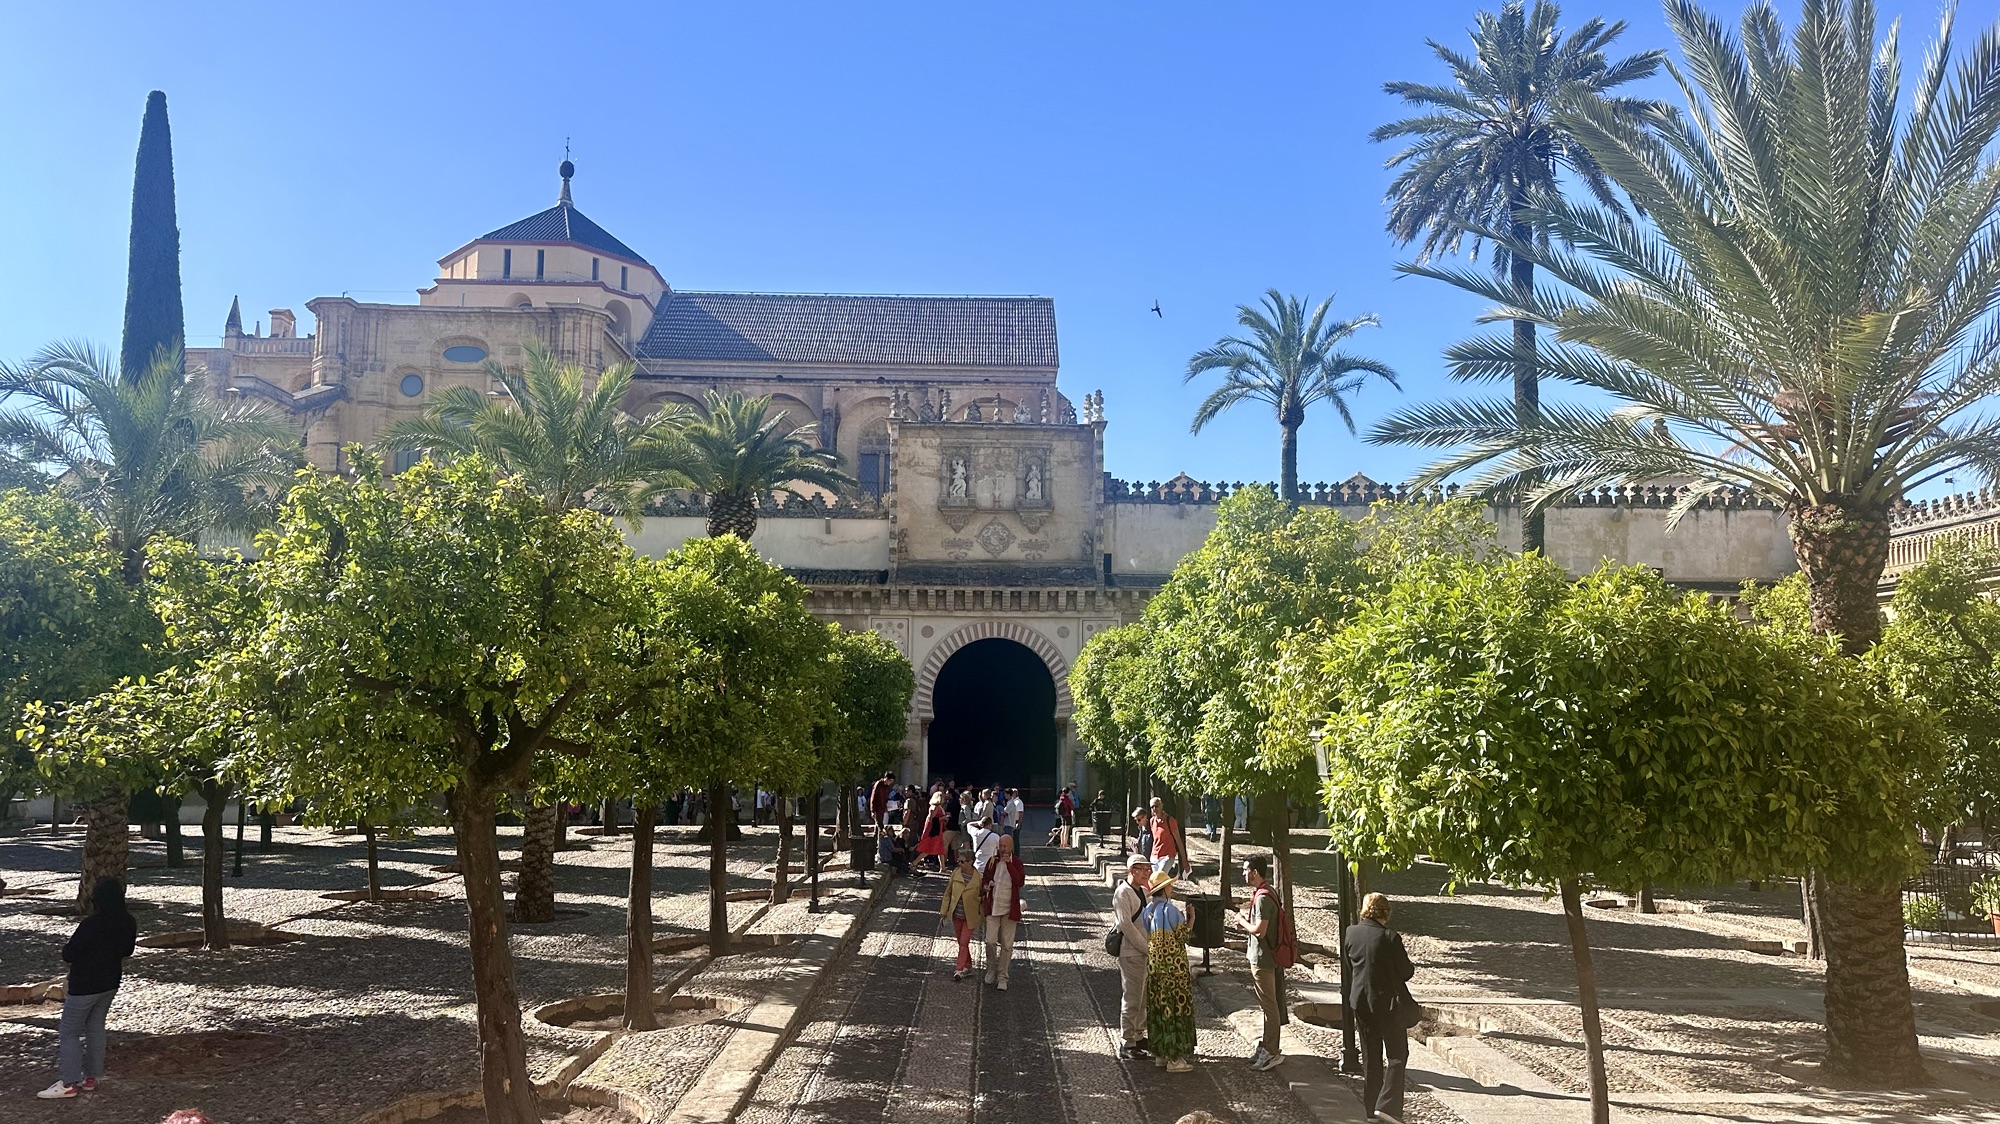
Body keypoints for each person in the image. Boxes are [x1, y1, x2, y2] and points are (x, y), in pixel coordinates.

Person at [38, 878, 138, 1099]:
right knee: (95, 1028)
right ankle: (91, 1077)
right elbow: (128, 951)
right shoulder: (129, 921)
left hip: (85, 985)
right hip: (110, 982)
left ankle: (69, 1082)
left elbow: (69, 953)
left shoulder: (91, 924)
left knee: (69, 1032)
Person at [1346, 892, 1416, 1122]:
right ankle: (1388, 1105)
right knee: (1397, 1055)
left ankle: (1370, 1110)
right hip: (1386, 1005)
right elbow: (1406, 972)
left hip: (1360, 1002)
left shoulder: (1351, 933)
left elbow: (1351, 965)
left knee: (1371, 1057)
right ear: (1386, 913)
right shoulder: (1389, 937)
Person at [1230, 855, 1284, 1071]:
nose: (1243, 873)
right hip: (1265, 956)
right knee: (1267, 1004)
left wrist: (1242, 921)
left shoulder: (1262, 897)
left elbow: (1260, 931)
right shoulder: (1268, 892)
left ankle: (1271, 1051)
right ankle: (1266, 1045)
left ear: (1255, 872)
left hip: (1263, 958)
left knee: (1269, 1005)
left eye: (1245, 870)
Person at [1143, 870, 1198, 1072]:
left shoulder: (1147, 911)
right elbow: (1183, 937)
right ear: (1164, 889)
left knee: (1159, 1007)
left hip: (1155, 968)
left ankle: (1161, 1054)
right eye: (1170, 885)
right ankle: (1175, 1059)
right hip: (1174, 970)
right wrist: (1190, 919)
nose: (1171, 888)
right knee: (1176, 1009)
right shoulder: (1171, 910)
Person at [1112, 854, 1152, 1060]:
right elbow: (1126, 925)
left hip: (1145, 951)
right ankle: (1127, 1041)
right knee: (1132, 997)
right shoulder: (1122, 894)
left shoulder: (1144, 891)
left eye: (1148, 869)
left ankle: (1138, 1034)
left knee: (1143, 997)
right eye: (1143, 869)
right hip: (1131, 952)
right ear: (1132, 871)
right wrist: (1146, 947)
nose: (1147, 872)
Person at [980, 833, 1025, 990]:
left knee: (1007, 945)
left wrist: (1009, 865)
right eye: (1000, 845)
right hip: (993, 908)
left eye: (1005, 846)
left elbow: (1019, 882)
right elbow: (984, 879)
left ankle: (1002, 976)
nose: (1002, 849)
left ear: (1011, 847)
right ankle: (991, 968)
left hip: (1009, 909)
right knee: (990, 941)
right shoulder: (992, 862)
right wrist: (986, 886)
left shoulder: (1017, 862)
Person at [938, 849, 985, 980]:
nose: (959, 864)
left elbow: (982, 898)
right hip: (957, 915)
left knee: (964, 941)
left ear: (970, 862)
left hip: (971, 916)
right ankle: (968, 966)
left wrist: (982, 915)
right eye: (958, 861)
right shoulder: (955, 874)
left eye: (962, 861)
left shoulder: (979, 878)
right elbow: (948, 893)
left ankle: (958, 969)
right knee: (961, 942)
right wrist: (944, 912)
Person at [1148, 797, 1181, 875]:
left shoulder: (1170, 820)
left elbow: (1178, 840)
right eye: (1152, 807)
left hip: (1167, 856)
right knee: (1156, 882)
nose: (1154, 808)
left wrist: (1184, 861)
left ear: (1161, 806)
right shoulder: (1152, 821)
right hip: (1154, 857)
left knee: (1160, 877)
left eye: (1157, 806)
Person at [916, 792, 948, 872]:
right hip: (933, 830)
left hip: (937, 829)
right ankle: (915, 862)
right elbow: (932, 819)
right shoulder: (935, 807)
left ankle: (943, 867)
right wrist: (943, 818)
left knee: (940, 848)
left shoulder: (938, 807)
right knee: (929, 848)